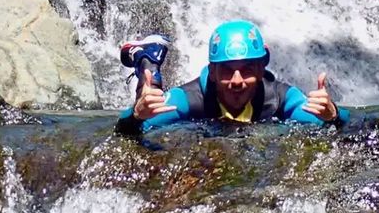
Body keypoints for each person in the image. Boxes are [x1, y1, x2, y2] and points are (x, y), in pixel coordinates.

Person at [115, 20, 348, 134]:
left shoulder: (279, 97)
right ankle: (148, 59)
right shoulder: (190, 99)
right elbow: (126, 130)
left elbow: (339, 123)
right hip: (161, 89)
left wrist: (333, 114)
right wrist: (136, 116)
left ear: (261, 69)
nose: (237, 80)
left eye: (247, 69)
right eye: (227, 70)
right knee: (149, 97)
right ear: (213, 72)